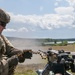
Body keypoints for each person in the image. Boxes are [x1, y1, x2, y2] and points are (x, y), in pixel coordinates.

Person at [0, 8, 32, 75]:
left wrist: (21, 54)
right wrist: (9, 62)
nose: (4, 27)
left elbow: (10, 50)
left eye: (5, 25)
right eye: (2, 24)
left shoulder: (1, 37)